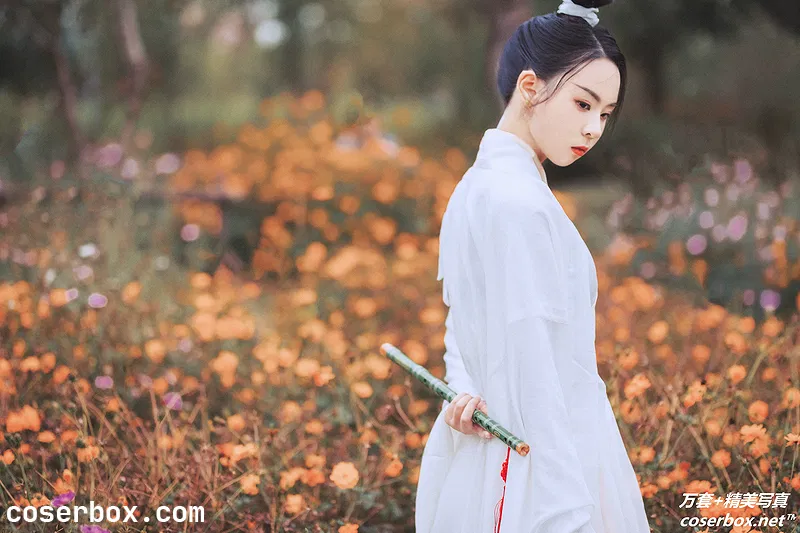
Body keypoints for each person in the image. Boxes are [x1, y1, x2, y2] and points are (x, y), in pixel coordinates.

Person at [414, 1, 652, 532]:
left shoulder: (476, 186)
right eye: (583, 103)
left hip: (497, 447)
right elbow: (534, 355)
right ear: (529, 86)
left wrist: (465, 389)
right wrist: (563, 503)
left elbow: (465, 320)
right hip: (538, 456)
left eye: (605, 114)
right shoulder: (518, 201)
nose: (593, 129)